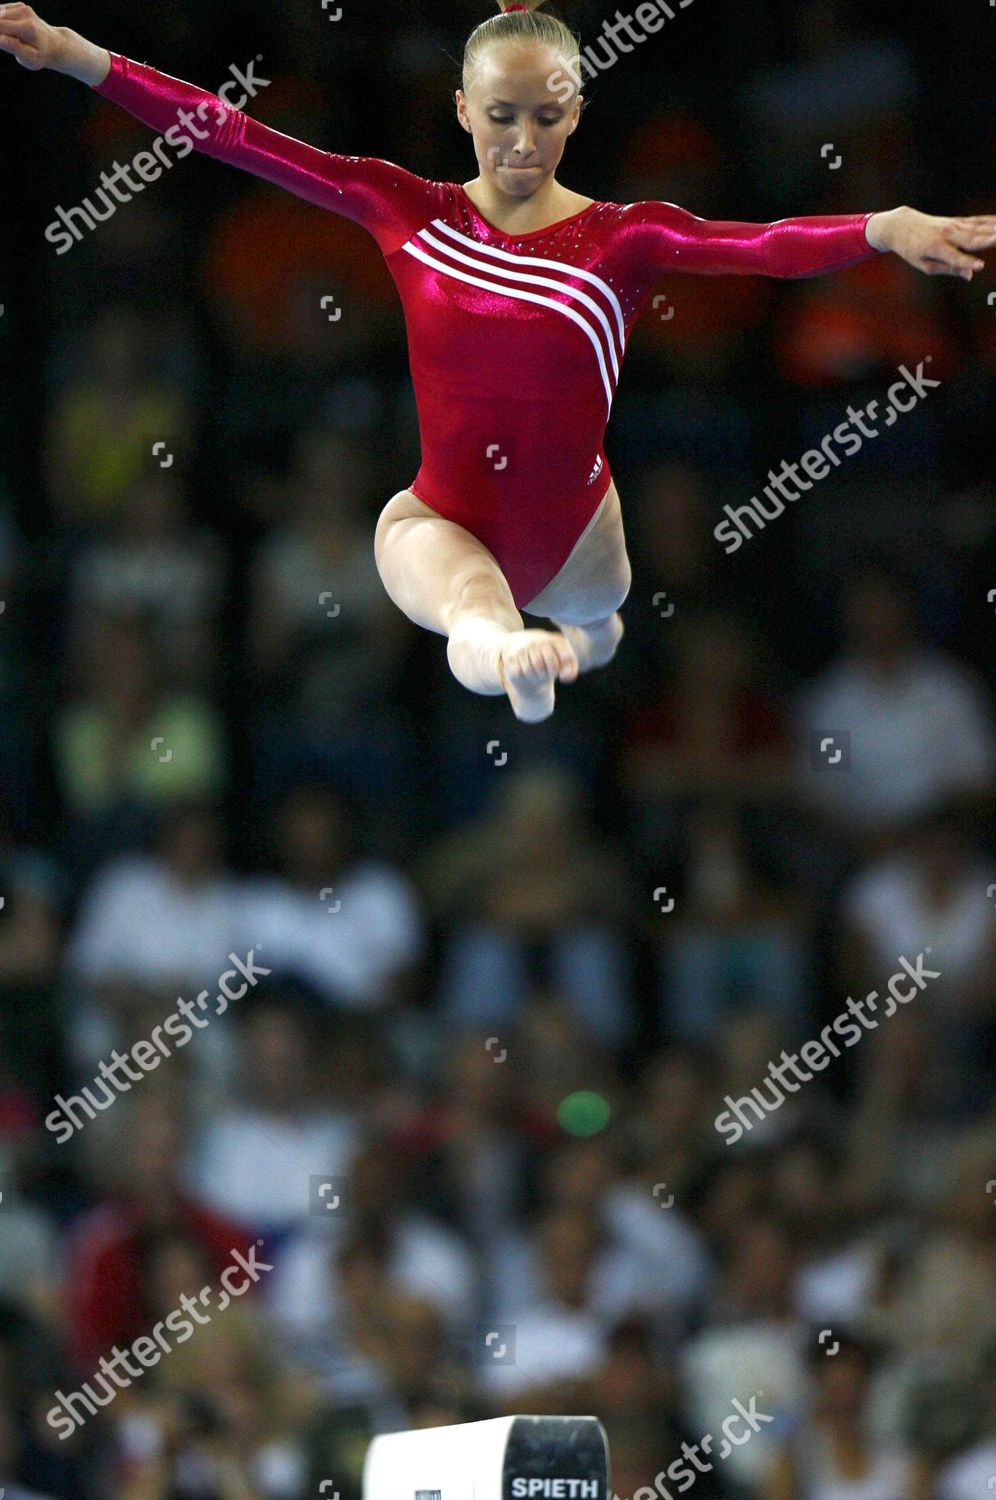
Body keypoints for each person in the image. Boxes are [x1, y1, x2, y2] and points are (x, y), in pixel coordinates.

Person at [5, 3, 993, 722]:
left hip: (577, 533)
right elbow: (233, 136)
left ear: (576, 114)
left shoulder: (626, 236)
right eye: (501, 114)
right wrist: (75, 54)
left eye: (546, 115)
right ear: (464, 110)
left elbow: (765, 244)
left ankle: (575, 644)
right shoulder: (404, 204)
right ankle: (517, 659)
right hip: (438, 516)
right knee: (475, 613)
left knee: (599, 619)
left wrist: (886, 225)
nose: (523, 141)